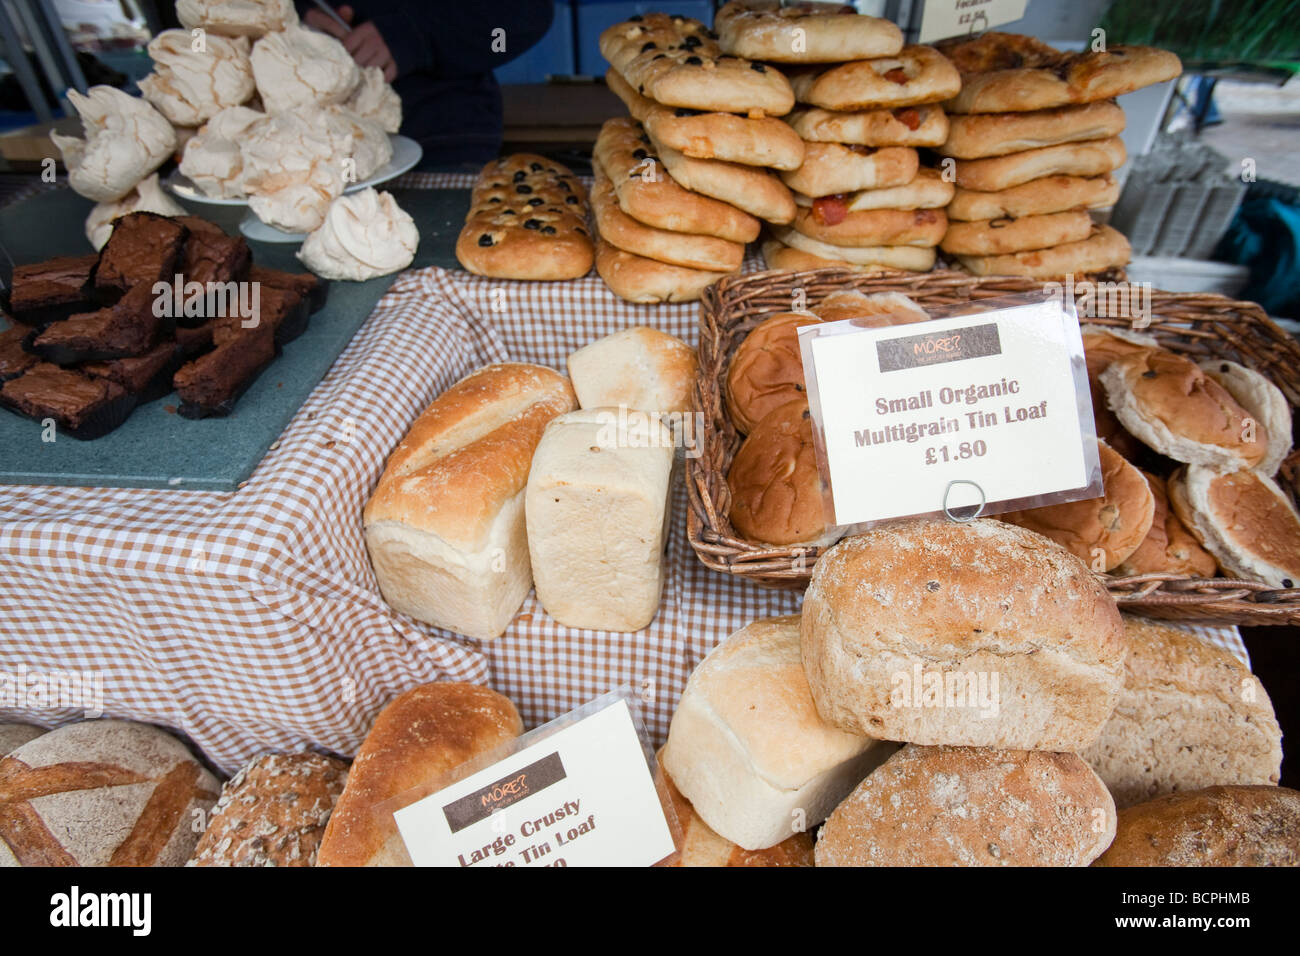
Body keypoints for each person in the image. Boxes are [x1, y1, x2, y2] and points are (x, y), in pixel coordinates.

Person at [300, 2, 554, 168]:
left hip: (441, 139)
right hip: (305, 142)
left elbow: (526, 16)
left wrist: (413, 34)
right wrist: (298, 13)